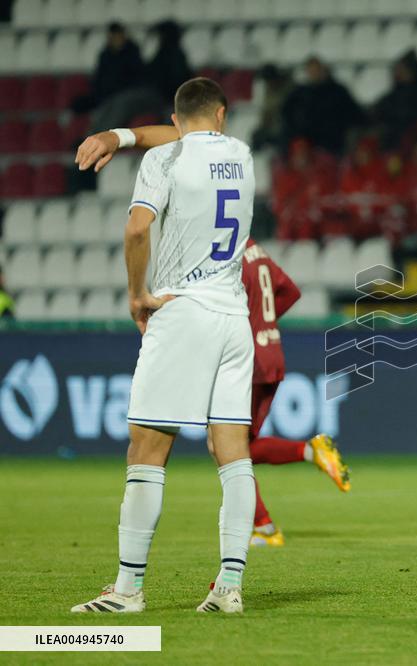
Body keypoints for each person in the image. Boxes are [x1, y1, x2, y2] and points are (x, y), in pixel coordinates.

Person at [71, 77, 257, 614]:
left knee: (147, 451)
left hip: (182, 311)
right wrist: (123, 136)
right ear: (221, 115)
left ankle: (127, 591)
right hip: (232, 317)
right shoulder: (243, 156)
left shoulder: (165, 162)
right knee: (233, 455)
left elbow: (136, 230)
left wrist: (137, 295)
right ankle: (228, 587)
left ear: (175, 121)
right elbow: (185, 137)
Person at [238, 238, 351, 547]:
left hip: (245, 359)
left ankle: (264, 527)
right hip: (270, 351)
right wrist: (265, 323)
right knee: (238, 446)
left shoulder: (223, 248)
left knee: (228, 448)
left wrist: (250, 326)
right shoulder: (253, 248)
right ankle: (310, 451)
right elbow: (289, 290)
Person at [282, 57, 365, 156]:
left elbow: (353, 112)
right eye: (311, 70)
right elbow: (286, 113)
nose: (314, 73)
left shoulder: (338, 91)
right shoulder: (299, 93)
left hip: (332, 141)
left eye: (317, 70)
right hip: (306, 141)